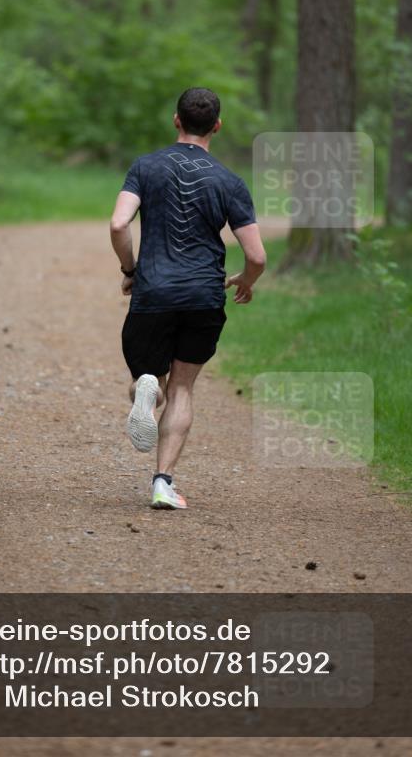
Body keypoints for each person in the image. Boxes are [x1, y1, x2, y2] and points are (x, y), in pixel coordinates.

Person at [109, 87, 266, 510]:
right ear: (217, 126)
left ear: (176, 120)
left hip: (153, 293)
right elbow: (256, 255)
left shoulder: (145, 167)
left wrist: (130, 270)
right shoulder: (229, 181)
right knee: (183, 388)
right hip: (202, 296)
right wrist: (245, 281)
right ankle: (163, 483)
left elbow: (119, 224)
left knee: (150, 380)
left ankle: (146, 387)